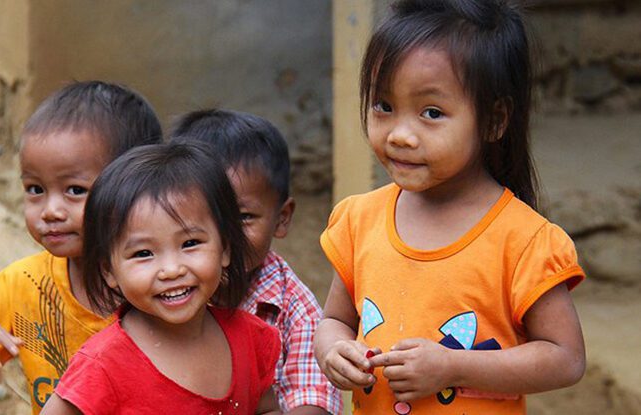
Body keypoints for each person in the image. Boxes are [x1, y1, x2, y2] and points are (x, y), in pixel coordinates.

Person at [314, 1, 586, 414]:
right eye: (383, 105)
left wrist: (453, 366)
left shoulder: (523, 240)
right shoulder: (358, 220)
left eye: (432, 113)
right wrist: (333, 351)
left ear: (495, 121)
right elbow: (335, 319)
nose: (401, 135)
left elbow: (565, 359)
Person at [0, 81, 162, 414]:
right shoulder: (25, 284)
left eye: (74, 190)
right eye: (35, 189)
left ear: (136, 188)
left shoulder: (161, 285)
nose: (50, 210)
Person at [41, 142, 281, 414]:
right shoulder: (103, 366)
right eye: (143, 253)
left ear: (225, 247)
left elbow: (266, 408)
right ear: (109, 270)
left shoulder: (249, 339)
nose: (171, 270)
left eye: (190, 243)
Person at [171, 109, 343, 415]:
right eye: (201, 219)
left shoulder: (295, 311)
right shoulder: (164, 287)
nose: (222, 236)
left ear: (282, 218)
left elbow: (312, 402)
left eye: (243, 217)